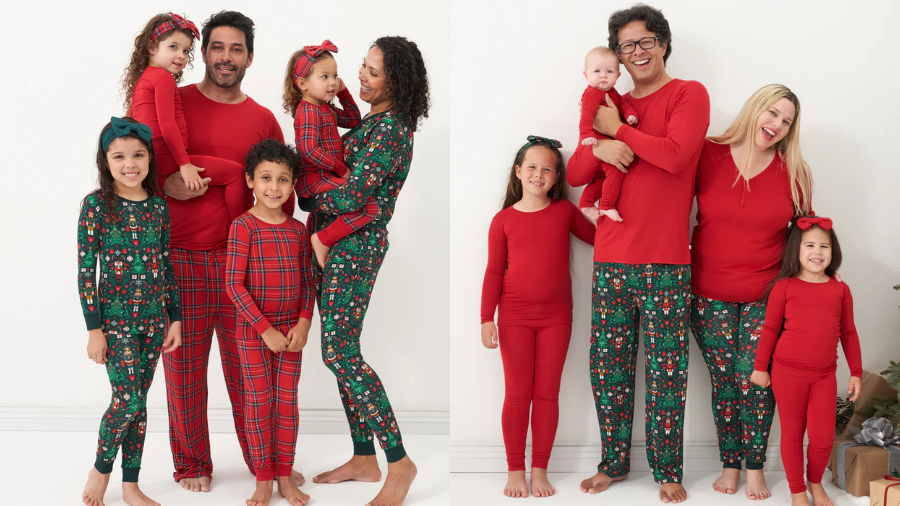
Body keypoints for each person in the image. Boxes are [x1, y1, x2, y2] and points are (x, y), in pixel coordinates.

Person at [566, 5, 710, 503]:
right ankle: (614, 463)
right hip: (611, 261)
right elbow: (578, 172)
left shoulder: (688, 94)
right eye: (627, 45)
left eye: (646, 41)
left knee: (668, 372)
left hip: (668, 263)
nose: (637, 51)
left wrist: (618, 132)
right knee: (608, 368)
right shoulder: (609, 100)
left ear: (664, 43)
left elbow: (673, 156)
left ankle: (667, 469)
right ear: (619, 56)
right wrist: (600, 147)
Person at [157, 10, 297, 492]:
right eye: (217, 47)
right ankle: (192, 463)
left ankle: (269, 463)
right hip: (181, 258)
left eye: (236, 49)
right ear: (204, 53)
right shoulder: (172, 104)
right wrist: (166, 182)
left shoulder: (263, 119)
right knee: (185, 371)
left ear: (250, 57)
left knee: (253, 374)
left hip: (246, 264)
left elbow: (283, 193)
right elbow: (141, 169)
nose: (226, 57)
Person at [308, 36, 429, 506]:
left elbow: (352, 195)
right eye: (362, 65)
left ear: (395, 83)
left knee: (340, 353)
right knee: (342, 350)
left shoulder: (393, 129)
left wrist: (305, 185)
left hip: (352, 246)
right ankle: (364, 457)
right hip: (332, 243)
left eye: (372, 72)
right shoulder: (371, 121)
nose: (360, 75)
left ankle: (399, 462)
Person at [690, 84, 812, 500]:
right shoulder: (706, 153)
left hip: (768, 297)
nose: (776, 125)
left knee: (756, 381)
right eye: (772, 113)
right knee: (724, 382)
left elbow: (805, 237)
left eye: (787, 121)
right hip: (708, 294)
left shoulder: (795, 171)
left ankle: (755, 467)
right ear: (755, 110)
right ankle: (730, 463)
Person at [480, 136, 595, 498]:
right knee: (517, 395)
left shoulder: (564, 212)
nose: (538, 173)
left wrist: (602, 200)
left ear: (557, 176)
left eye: (547, 168)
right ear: (518, 171)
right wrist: (486, 318)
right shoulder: (502, 220)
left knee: (547, 394)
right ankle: (515, 470)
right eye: (531, 166)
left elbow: (597, 237)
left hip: (557, 317)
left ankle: (540, 470)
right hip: (513, 316)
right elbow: (493, 272)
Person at [79, 117, 182, 506]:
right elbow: (86, 269)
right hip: (116, 323)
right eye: (119, 155)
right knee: (128, 399)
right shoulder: (96, 206)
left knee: (138, 403)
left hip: (154, 323)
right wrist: (94, 329)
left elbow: (166, 263)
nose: (129, 163)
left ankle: (131, 485)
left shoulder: (158, 207)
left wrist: (175, 317)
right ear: (105, 161)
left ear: (149, 159)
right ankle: (101, 470)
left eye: (138, 155)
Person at [226, 140, 314, 506]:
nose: (274, 187)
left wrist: (305, 323)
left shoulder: (298, 231)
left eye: (283, 179)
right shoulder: (243, 226)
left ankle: (284, 475)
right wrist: (265, 330)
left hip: (291, 332)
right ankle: (263, 477)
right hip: (254, 333)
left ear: (293, 185)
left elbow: (309, 282)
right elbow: (233, 284)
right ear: (250, 181)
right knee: (259, 402)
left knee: (286, 404)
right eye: (266, 178)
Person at [751, 216, 861, 506]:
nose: (817, 251)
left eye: (824, 246)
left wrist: (856, 372)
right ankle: (797, 490)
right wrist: (760, 367)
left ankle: (815, 482)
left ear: (832, 251)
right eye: (810, 245)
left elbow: (848, 332)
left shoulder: (840, 289)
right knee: (792, 434)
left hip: (825, 374)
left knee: (823, 437)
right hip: (788, 373)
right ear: (796, 251)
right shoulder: (784, 287)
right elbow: (770, 329)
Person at [125, 12, 246, 222]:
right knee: (236, 174)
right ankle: (244, 233)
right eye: (173, 47)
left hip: (154, 161)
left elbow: (130, 122)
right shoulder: (163, 78)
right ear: (152, 47)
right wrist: (184, 164)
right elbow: (166, 124)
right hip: (168, 159)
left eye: (186, 50)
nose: (181, 55)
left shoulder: (144, 79)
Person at [282, 40, 378, 269]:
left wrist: (344, 93)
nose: (332, 82)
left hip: (325, 178)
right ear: (303, 83)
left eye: (335, 75)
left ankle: (324, 236)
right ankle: (322, 239)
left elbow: (354, 120)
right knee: (369, 206)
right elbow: (309, 150)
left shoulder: (325, 108)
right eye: (324, 77)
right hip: (314, 181)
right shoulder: (307, 112)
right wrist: (341, 169)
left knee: (366, 203)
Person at [578, 46, 638, 223]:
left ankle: (586, 203)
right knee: (616, 171)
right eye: (597, 71)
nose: (603, 75)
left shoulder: (613, 93)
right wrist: (586, 134)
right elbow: (587, 115)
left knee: (600, 179)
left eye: (609, 71)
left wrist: (630, 115)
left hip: (607, 145)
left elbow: (623, 105)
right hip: (597, 142)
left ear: (618, 76)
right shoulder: (591, 93)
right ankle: (606, 204)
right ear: (586, 75)